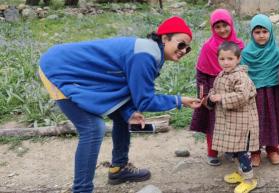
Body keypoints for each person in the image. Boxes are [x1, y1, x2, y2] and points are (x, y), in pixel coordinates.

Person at [38, 16, 201, 193]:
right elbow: (145, 100)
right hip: (59, 69)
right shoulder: (146, 55)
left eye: (188, 48)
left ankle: (119, 168)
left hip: (78, 72)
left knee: (126, 116)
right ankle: (82, 190)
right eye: (181, 44)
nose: (184, 50)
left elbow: (124, 87)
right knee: (93, 128)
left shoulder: (151, 53)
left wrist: (127, 112)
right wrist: (179, 100)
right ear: (164, 38)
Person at [190, 9, 245, 166]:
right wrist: (204, 94)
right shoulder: (208, 47)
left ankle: (230, 149)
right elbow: (201, 73)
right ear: (212, 28)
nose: (222, 30)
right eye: (217, 26)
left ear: (231, 24)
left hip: (233, 88)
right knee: (212, 122)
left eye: (225, 25)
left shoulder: (239, 45)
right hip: (213, 89)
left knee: (232, 120)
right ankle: (212, 152)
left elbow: (244, 68)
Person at [204, 41, 259, 193]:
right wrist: (210, 97)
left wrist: (221, 98)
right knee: (233, 149)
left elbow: (242, 96)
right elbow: (215, 91)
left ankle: (249, 179)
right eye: (222, 59)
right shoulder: (221, 75)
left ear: (238, 59)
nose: (226, 62)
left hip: (242, 122)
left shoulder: (241, 77)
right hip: (229, 122)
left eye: (230, 59)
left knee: (242, 151)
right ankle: (240, 173)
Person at [241, 14, 279, 167]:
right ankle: (254, 152)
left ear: (271, 32)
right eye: (257, 32)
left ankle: (273, 149)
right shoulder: (246, 54)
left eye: (265, 31)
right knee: (254, 122)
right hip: (254, 94)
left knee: (273, 119)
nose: (261, 35)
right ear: (251, 34)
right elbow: (242, 76)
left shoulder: (277, 53)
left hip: (273, 93)